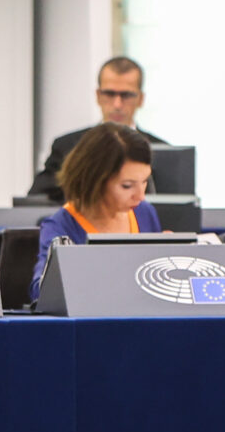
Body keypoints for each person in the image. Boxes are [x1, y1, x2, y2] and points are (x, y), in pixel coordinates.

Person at [32, 123, 161, 300]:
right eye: (127, 186)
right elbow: (41, 291)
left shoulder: (145, 213)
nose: (140, 196)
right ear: (95, 181)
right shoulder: (60, 226)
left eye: (144, 181)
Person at [29, 57, 167, 202]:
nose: (117, 104)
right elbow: (36, 201)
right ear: (98, 96)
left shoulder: (163, 153)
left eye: (126, 95)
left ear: (140, 99)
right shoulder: (68, 147)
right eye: (109, 94)